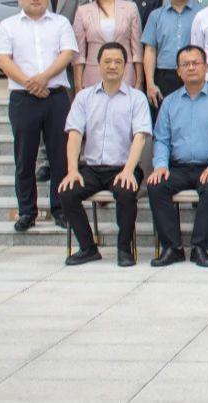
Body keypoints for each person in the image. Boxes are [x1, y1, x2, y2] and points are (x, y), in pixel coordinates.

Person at [0, 0, 78, 232]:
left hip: (56, 96)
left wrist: (44, 78)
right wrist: (30, 83)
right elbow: (3, 59)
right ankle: (27, 212)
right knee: (24, 157)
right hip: (23, 98)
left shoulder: (60, 23)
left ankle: (60, 209)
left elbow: (67, 53)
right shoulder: (8, 25)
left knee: (60, 157)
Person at [57, 42, 152, 267]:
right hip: (92, 168)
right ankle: (88, 247)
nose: (112, 66)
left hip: (123, 166)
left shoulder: (136, 98)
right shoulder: (84, 97)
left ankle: (124, 249)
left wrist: (128, 170)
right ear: (98, 64)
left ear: (125, 66)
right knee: (67, 192)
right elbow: (74, 135)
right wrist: (72, 170)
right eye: (107, 61)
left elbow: (140, 137)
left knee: (126, 192)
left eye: (118, 62)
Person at [146, 45, 208, 268]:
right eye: (185, 64)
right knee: (156, 185)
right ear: (178, 71)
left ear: (206, 67)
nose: (191, 68)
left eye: (196, 63)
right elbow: (161, 139)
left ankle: (200, 248)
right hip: (178, 167)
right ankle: (172, 247)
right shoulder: (169, 102)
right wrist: (160, 165)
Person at [72, 0, 142, 92]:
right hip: (93, 74)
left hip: (125, 73)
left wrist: (139, 81)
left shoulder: (130, 8)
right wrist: (78, 84)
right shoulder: (82, 11)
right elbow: (79, 53)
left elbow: (137, 49)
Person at [142, 0, 198, 105]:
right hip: (164, 76)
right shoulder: (156, 15)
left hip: (194, 73)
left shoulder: (201, 14)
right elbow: (150, 50)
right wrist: (150, 83)